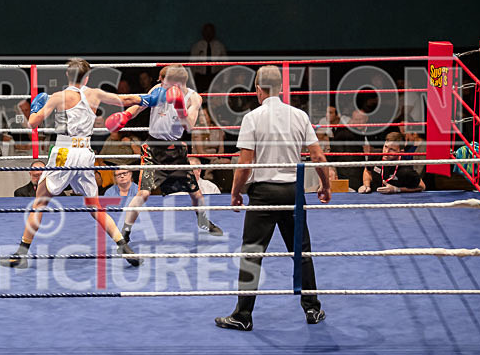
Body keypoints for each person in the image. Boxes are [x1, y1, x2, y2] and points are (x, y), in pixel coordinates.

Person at [0, 58, 157, 269]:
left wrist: (36, 107)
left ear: (67, 75)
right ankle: (123, 246)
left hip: (64, 153)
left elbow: (32, 123)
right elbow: (127, 99)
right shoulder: (95, 94)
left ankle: (21, 252)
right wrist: (151, 98)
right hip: (85, 153)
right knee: (95, 207)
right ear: (88, 77)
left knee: (40, 203)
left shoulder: (58, 97)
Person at [215, 65, 331, 331]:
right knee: (301, 252)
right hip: (293, 191)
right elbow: (318, 156)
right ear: (281, 88)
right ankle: (312, 309)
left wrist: (235, 193)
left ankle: (243, 316)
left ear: (258, 90)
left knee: (251, 254)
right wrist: (325, 185)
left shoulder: (252, 118)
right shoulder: (299, 116)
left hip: (263, 194)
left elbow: (244, 165)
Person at [111, 64, 224, 242]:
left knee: (195, 193)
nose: (162, 87)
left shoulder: (193, 98)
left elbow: (189, 125)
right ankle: (125, 232)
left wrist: (179, 107)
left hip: (176, 150)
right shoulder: (158, 89)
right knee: (144, 193)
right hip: (153, 149)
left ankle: (203, 221)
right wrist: (125, 116)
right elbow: (138, 105)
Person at [358, 132, 425, 194]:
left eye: (392, 149)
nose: (386, 152)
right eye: (385, 147)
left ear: (401, 152)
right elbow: (367, 170)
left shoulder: (405, 168)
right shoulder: (375, 155)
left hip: (398, 201)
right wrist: (366, 185)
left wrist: (397, 189)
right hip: (375, 198)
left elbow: (422, 186)